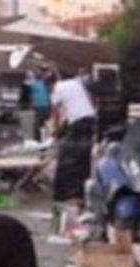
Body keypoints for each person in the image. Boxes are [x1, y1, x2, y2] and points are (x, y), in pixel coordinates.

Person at [51, 67, 98, 206]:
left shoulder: (59, 86)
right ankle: (81, 191)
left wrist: (55, 129)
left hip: (78, 122)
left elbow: (55, 111)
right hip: (90, 119)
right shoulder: (78, 83)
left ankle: (65, 193)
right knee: (84, 155)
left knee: (68, 156)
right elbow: (87, 102)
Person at [29, 70, 52, 141]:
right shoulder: (43, 83)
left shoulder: (34, 84)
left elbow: (32, 96)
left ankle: (38, 139)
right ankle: (43, 138)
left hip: (40, 106)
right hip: (45, 106)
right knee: (44, 123)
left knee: (39, 123)